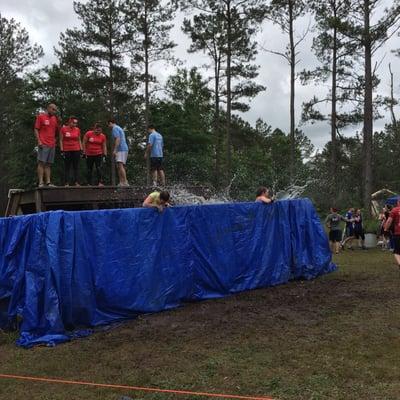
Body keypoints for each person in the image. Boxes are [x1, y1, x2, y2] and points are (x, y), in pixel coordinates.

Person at [34, 103, 60, 187]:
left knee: (49, 164)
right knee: (41, 162)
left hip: (51, 144)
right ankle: (41, 182)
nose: (54, 111)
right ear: (48, 108)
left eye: (55, 110)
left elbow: (56, 132)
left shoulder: (54, 118)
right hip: (43, 143)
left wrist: (55, 141)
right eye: (53, 109)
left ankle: (48, 182)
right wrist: (39, 141)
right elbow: (36, 129)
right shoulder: (41, 116)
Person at [60, 117, 82, 186]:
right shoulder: (63, 129)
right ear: (70, 122)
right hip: (67, 149)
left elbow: (79, 140)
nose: (75, 124)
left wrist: (81, 149)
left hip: (76, 149)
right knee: (67, 166)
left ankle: (76, 182)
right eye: (73, 123)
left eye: (76, 123)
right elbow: (61, 140)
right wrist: (62, 149)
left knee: (76, 166)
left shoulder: (77, 129)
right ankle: (66, 182)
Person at [108, 118, 129, 187]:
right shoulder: (119, 128)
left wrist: (115, 149)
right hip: (123, 149)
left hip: (121, 149)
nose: (108, 127)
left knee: (120, 165)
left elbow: (118, 139)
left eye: (108, 125)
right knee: (118, 166)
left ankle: (125, 182)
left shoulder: (115, 128)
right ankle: (121, 182)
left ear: (111, 123)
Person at [384, 199, 400, 269]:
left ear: (398, 202)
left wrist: (385, 229)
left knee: (396, 252)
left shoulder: (394, 210)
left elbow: (389, 221)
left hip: (398, 233)